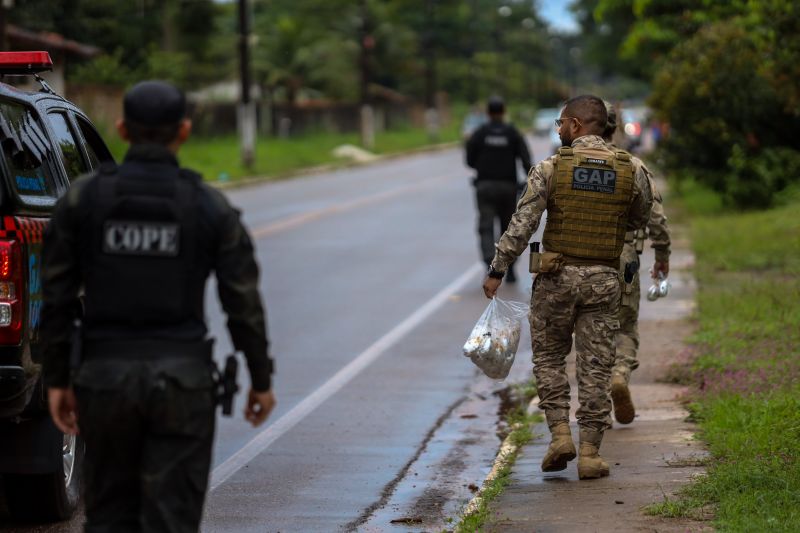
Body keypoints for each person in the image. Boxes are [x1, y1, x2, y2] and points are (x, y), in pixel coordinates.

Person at [40, 80, 276, 532]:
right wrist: (260, 379)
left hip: (104, 383)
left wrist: (58, 379)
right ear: (184, 131)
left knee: (109, 516)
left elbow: (57, 299)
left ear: (122, 129)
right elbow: (241, 300)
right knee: (174, 520)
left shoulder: (82, 201)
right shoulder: (208, 206)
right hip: (182, 387)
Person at [483, 95, 653, 479]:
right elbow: (640, 216)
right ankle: (591, 453)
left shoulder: (551, 168)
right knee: (596, 367)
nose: (558, 130)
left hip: (556, 280)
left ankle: (561, 435)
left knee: (548, 359)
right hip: (604, 281)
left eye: (561, 123)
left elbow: (522, 223)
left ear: (576, 125)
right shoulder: (630, 169)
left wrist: (498, 269)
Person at [602, 102, 671, 425]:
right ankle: (619, 374)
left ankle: (594, 404)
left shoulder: (565, 165)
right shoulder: (632, 165)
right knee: (625, 327)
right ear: (613, 127)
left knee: (590, 332)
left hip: (579, 262)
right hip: (625, 258)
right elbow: (656, 218)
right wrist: (662, 256)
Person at [466, 96, 532, 283]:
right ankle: (508, 268)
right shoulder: (513, 133)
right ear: (504, 112)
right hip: (508, 187)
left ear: (488, 113)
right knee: (507, 229)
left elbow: (469, 161)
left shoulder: (479, 133)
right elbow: (527, 161)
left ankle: (490, 265)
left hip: (485, 187)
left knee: (486, 227)